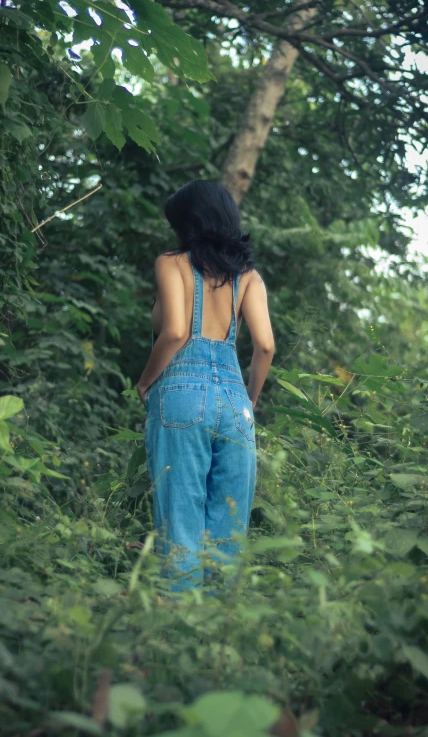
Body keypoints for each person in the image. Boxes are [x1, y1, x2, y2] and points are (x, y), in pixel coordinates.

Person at [136, 180, 275, 591]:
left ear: (188, 223)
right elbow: (265, 346)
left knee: (180, 516)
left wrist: (145, 382)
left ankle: (178, 631)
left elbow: (176, 331)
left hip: (179, 392)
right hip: (235, 403)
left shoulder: (171, 263)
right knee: (229, 527)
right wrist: (245, 402)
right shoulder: (247, 276)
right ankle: (217, 638)